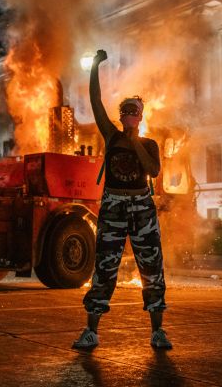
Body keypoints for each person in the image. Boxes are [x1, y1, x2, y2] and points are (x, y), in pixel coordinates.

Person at [72, 50, 172, 350]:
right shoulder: (111, 136)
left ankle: (157, 331)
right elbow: (95, 101)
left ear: (140, 116)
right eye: (125, 110)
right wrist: (94, 67)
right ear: (121, 115)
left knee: (151, 267)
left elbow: (153, 171)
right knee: (104, 268)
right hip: (114, 206)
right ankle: (91, 331)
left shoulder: (149, 144)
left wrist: (135, 142)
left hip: (142, 207)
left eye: (134, 110)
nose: (129, 114)